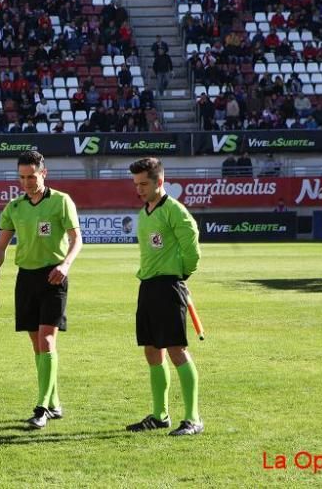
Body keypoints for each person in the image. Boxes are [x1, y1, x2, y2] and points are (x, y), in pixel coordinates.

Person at [0, 151, 82, 429]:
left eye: (32, 176)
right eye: (22, 177)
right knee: (36, 345)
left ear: (44, 173)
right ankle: (53, 402)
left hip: (53, 277)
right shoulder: (15, 207)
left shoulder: (62, 202)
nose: (27, 182)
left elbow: (77, 239)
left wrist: (65, 265)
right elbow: (1, 245)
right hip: (26, 279)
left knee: (47, 340)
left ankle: (41, 408)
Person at [125, 157, 203, 435]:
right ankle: (160, 415)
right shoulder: (145, 211)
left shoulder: (175, 211)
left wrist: (179, 276)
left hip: (169, 286)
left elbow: (192, 251)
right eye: (136, 184)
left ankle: (193, 418)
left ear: (160, 181)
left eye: (144, 184)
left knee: (176, 350)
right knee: (151, 349)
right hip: (147, 286)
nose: (139, 189)